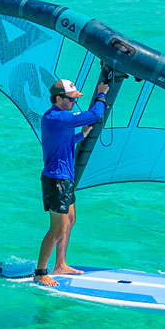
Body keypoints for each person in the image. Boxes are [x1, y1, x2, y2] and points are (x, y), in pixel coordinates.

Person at [35, 78, 110, 287]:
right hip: (56, 179)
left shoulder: (61, 120)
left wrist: (81, 135)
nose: (73, 103)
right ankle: (40, 271)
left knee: (71, 220)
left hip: (65, 178)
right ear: (58, 99)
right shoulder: (57, 117)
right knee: (57, 229)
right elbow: (95, 114)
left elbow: (63, 142)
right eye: (71, 100)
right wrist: (102, 94)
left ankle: (60, 264)